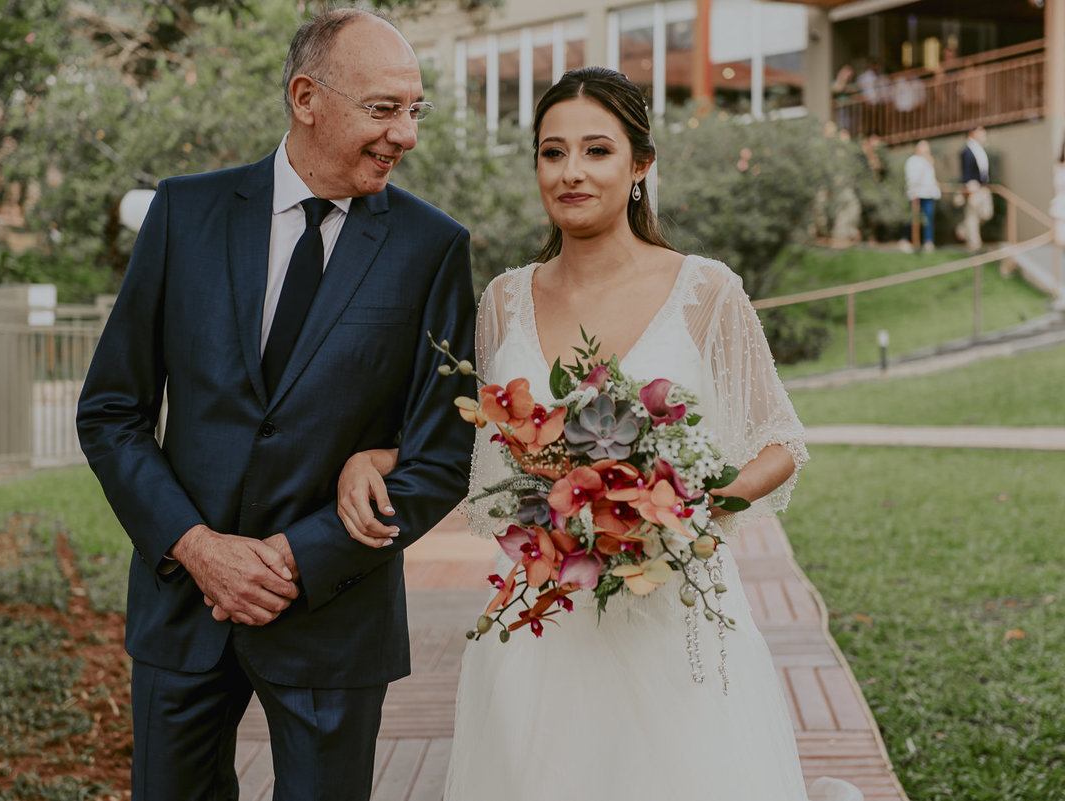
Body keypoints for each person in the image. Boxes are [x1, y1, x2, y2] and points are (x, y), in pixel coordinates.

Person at [335, 67, 863, 801]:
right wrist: (376, 454)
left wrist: (684, 511)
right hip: (541, 619)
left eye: (596, 151)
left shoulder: (706, 290)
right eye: (552, 153)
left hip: (675, 614)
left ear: (641, 164)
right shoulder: (504, 299)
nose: (571, 172)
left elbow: (779, 440)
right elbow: (476, 433)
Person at [75, 9, 476, 800]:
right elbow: (111, 412)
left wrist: (297, 559)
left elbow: (444, 452)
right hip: (182, 609)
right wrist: (197, 548)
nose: (407, 134)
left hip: (335, 617)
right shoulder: (183, 214)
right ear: (305, 97)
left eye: (414, 110)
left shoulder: (434, 248)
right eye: (384, 109)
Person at [958, 125, 992, 252]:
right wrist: (967, 187)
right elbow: (965, 170)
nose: (983, 133)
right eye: (980, 130)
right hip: (973, 185)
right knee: (972, 215)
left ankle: (962, 229)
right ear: (972, 132)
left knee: (986, 213)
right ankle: (974, 245)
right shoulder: (967, 150)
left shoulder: (979, 149)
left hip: (983, 186)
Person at [904, 139, 941, 252]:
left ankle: (928, 242)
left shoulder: (928, 161)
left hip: (928, 194)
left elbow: (931, 178)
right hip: (917, 194)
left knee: (928, 218)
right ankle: (906, 240)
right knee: (913, 219)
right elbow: (913, 179)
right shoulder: (912, 161)